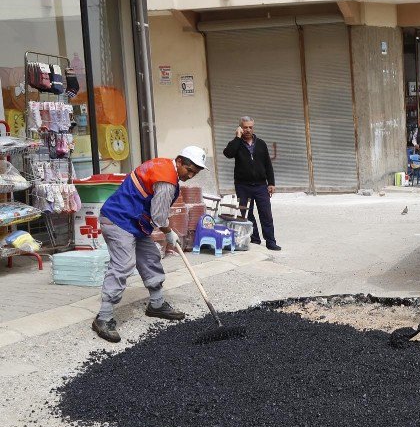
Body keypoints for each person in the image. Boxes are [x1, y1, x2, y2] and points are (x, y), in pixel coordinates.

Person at [91, 147, 207, 343]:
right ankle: (103, 317)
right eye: (189, 170)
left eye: (195, 173)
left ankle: (156, 304)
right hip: (118, 219)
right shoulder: (167, 180)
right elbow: (159, 216)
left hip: (135, 221)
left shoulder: (163, 165)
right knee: (124, 264)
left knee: (150, 258)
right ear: (179, 161)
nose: (190, 176)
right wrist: (169, 233)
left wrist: (165, 229)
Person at [223, 117, 280, 251]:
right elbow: (228, 154)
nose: (248, 130)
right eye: (245, 127)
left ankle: (270, 241)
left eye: (250, 127)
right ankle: (255, 238)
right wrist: (237, 138)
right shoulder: (236, 144)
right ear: (240, 128)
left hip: (261, 185)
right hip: (243, 185)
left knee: (266, 214)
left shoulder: (261, 143)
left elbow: (267, 164)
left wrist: (271, 182)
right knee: (246, 213)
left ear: (253, 128)